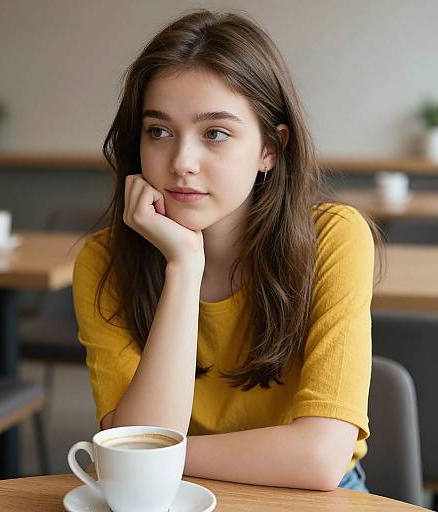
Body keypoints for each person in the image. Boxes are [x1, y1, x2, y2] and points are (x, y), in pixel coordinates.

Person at [73, 9, 383, 492]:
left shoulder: (334, 237)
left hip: (310, 497)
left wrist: (158, 454)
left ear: (270, 149)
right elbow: (135, 465)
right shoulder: (103, 260)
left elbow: (320, 460)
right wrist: (183, 265)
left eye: (215, 133)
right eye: (159, 131)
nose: (182, 162)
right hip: (173, 493)